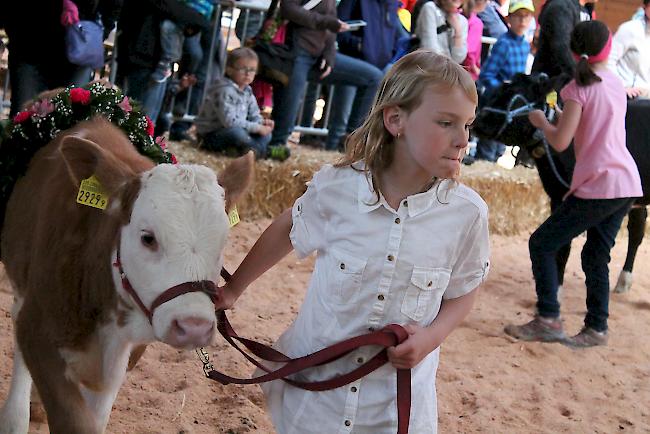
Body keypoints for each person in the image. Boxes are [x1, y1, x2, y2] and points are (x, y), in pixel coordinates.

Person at [216, 50, 490, 433]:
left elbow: (463, 293)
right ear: (396, 119)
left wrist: (430, 337)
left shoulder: (467, 214)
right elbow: (288, 228)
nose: (463, 139)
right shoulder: (337, 187)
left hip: (392, 410)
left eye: (468, 125)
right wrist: (233, 290)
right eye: (447, 123)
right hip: (317, 401)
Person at [505, 20, 643, 348]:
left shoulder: (576, 90)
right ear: (609, 49)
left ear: (572, 50)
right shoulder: (615, 82)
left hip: (599, 184)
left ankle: (549, 317)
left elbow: (561, 142)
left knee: (541, 243)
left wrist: (541, 122)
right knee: (596, 255)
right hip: (626, 182)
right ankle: (596, 328)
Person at [268, 0, 383, 152]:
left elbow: (330, 25)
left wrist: (329, 52)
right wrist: (327, 23)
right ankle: (274, 156)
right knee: (283, 125)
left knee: (373, 77)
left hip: (317, 55)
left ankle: (350, 144)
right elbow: (288, 8)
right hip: (293, 53)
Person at [194, 47, 288, 160]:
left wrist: (262, 123)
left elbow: (254, 115)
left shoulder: (247, 91)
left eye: (252, 70)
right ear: (229, 70)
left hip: (238, 131)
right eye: (243, 69)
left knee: (266, 135)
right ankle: (264, 152)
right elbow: (229, 122)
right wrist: (257, 128)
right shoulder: (224, 90)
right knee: (237, 134)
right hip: (212, 134)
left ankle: (247, 151)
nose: (248, 73)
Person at [474, 0, 534, 162]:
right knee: (488, 148)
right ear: (509, 19)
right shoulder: (504, 43)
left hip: (511, 104)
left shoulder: (524, 45)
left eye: (526, 16)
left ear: (531, 19)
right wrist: (503, 89)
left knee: (501, 146)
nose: (522, 21)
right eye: (517, 16)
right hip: (497, 103)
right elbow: (487, 75)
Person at [151, 0, 214, 83]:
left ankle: (172, 65)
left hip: (193, 15)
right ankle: (169, 62)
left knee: (194, 53)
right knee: (169, 29)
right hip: (187, 13)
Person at [608, 0, 650, 99]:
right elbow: (608, 60)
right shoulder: (630, 28)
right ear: (645, 6)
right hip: (628, 96)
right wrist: (621, 86)